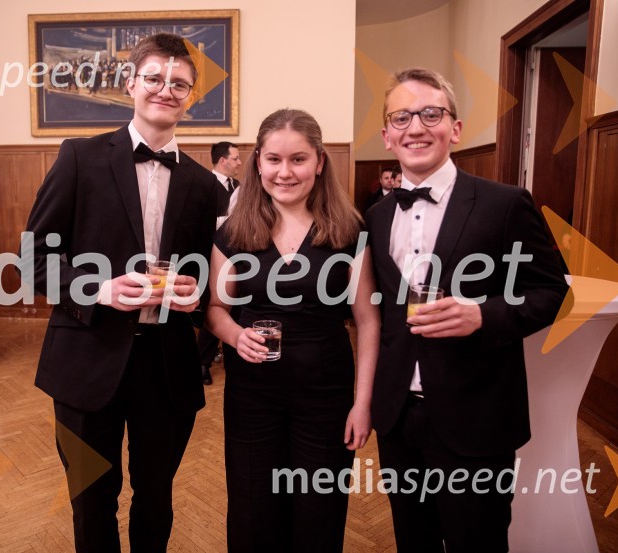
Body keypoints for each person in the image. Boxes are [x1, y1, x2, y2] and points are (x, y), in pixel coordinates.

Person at [19, 34, 218, 553]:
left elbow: (203, 273)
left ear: (190, 97)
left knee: (156, 498)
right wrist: (99, 288)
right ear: (131, 84)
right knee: (91, 498)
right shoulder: (79, 158)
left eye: (179, 83)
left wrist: (195, 292)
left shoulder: (203, 184)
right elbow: (31, 259)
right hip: (85, 361)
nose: (165, 90)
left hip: (167, 368)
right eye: (154, 78)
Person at [365, 67, 568, 552]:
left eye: (431, 113)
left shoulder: (505, 204)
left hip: (476, 415)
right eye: (402, 117)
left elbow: (551, 291)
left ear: (454, 129)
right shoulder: (374, 216)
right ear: (387, 135)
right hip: (397, 417)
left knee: (477, 542)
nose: (416, 127)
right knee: (412, 540)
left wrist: (484, 315)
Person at [206, 109, 380, 552]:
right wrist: (234, 335)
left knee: (317, 513)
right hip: (252, 397)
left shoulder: (349, 231)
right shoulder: (233, 231)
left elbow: (367, 320)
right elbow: (216, 308)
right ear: (258, 163)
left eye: (298, 160)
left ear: (319, 162)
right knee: (252, 512)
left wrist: (363, 404)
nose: (285, 172)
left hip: (326, 396)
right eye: (274, 160)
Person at [198, 141, 243, 385]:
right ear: (222, 160)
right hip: (209, 255)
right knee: (214, 306)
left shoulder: (238, 186)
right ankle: (202, 362)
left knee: (234, 308)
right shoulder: (204, 184)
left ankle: (230, 354)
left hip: (237, 254)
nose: (239, 163)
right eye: (235, 158)